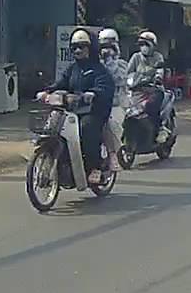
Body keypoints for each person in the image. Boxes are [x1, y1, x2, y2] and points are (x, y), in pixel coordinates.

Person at [44, 28, 115, 183]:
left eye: (81, 47)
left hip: (93, 111)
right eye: (74, 47)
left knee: (86, 128)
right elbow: (61, 83)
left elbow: (105, 87)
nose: (77, 50)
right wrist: (47, 91)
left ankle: (95, 167)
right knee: (54, 126)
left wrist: (93, 93)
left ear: (90, 48)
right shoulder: (72, 69)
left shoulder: (99, 69)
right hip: (72, 110)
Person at [126, 30, 168, 144]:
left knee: (151, 106)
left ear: (153, 45)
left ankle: (159, 130)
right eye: (141, 44)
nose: (143, 47)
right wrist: (128, 80)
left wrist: (158, 78)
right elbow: (129, 72)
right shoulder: (136, 57)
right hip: (137, 90)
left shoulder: (158, 57)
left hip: (154, 90)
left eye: (146, 44)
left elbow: (160, 70)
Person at [98, 28, 128, 171]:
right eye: (103, 45)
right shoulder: (94, 63)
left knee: (111, 125)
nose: (106, 50)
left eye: (110, 45)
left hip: (115, 105)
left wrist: (110, 60)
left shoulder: (121, 64)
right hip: (95, 103)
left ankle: (113, 154)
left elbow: (119, 79)